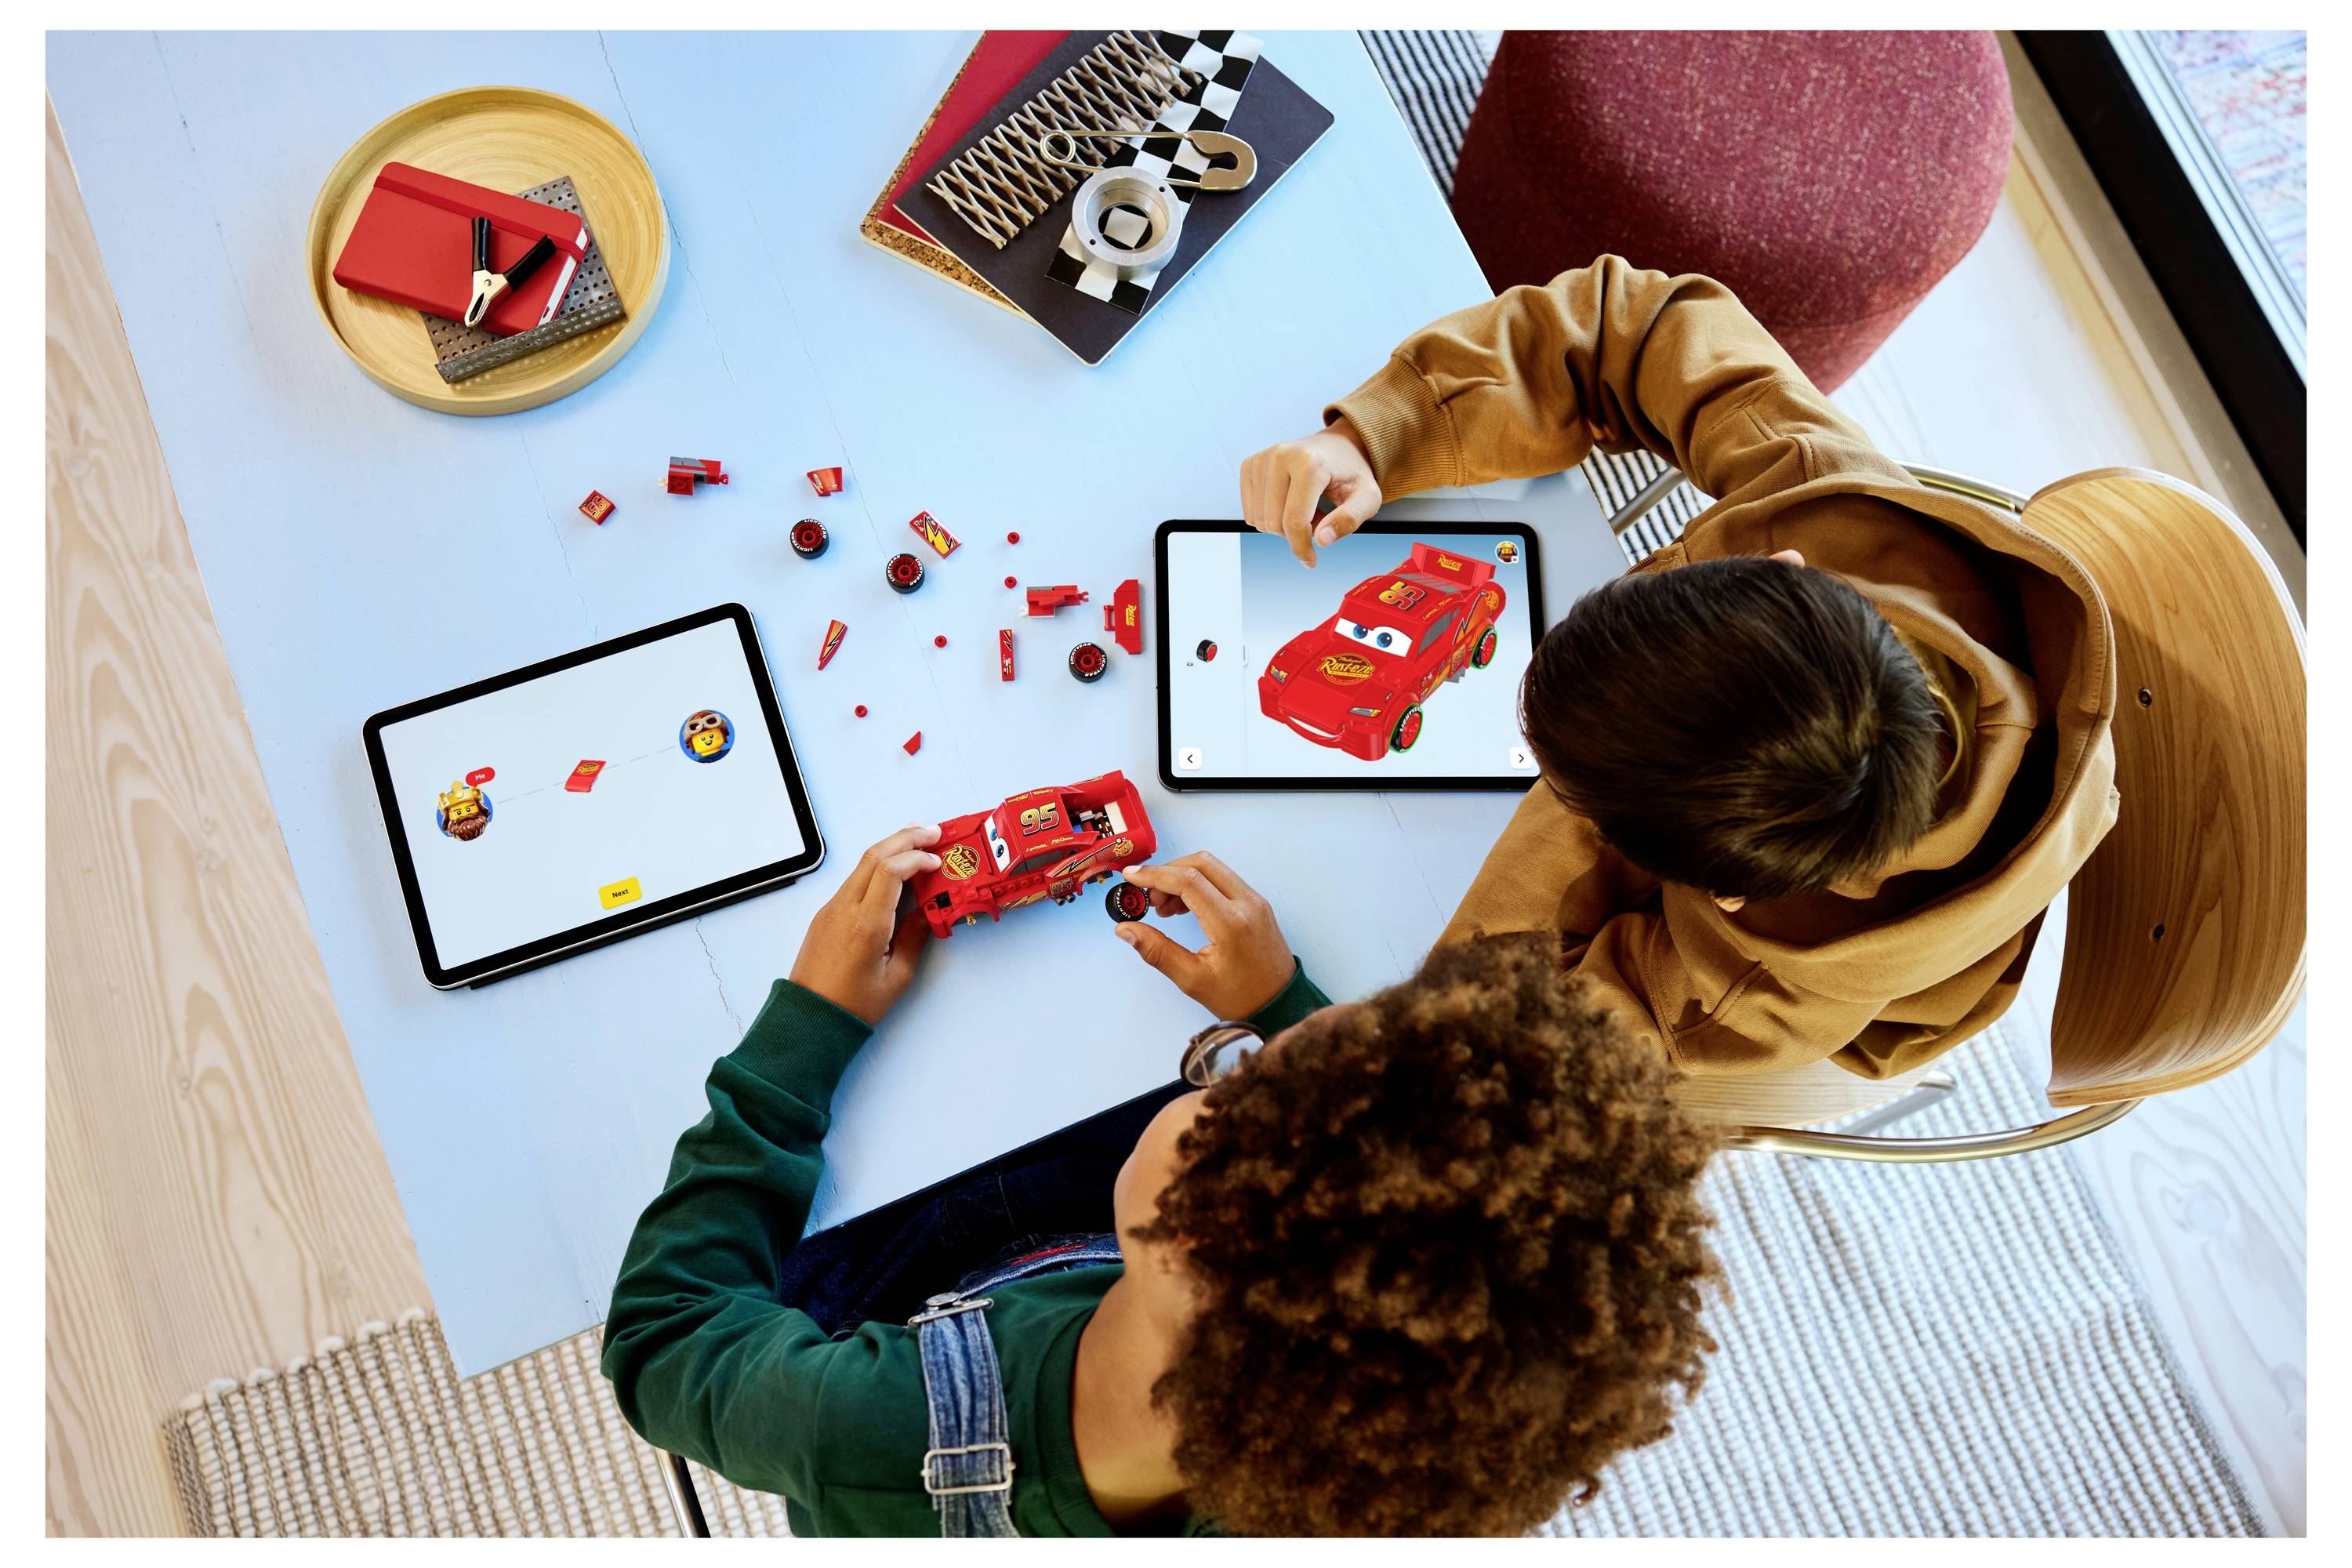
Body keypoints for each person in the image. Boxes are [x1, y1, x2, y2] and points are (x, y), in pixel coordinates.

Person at [602, 826, 1720, 1537]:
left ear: (1185, 1237)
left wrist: (806, 1033)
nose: (1248, 1056)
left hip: (905, 1324)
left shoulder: (873, 1434)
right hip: (1089, 1284)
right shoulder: (1356, 1460)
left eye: (1234, 1083)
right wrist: (1282, 1003)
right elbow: (1423, 1209)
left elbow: (662, 1337)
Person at [1238, 256, 2118, 1081]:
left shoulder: (1759, 983)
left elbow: (1482, 1073)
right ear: (1785, 569)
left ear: (1718, 894)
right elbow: (1644, 326)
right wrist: (1384, 434)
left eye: (1574, 793)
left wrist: (1281, 1004)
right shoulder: (1821, 507)